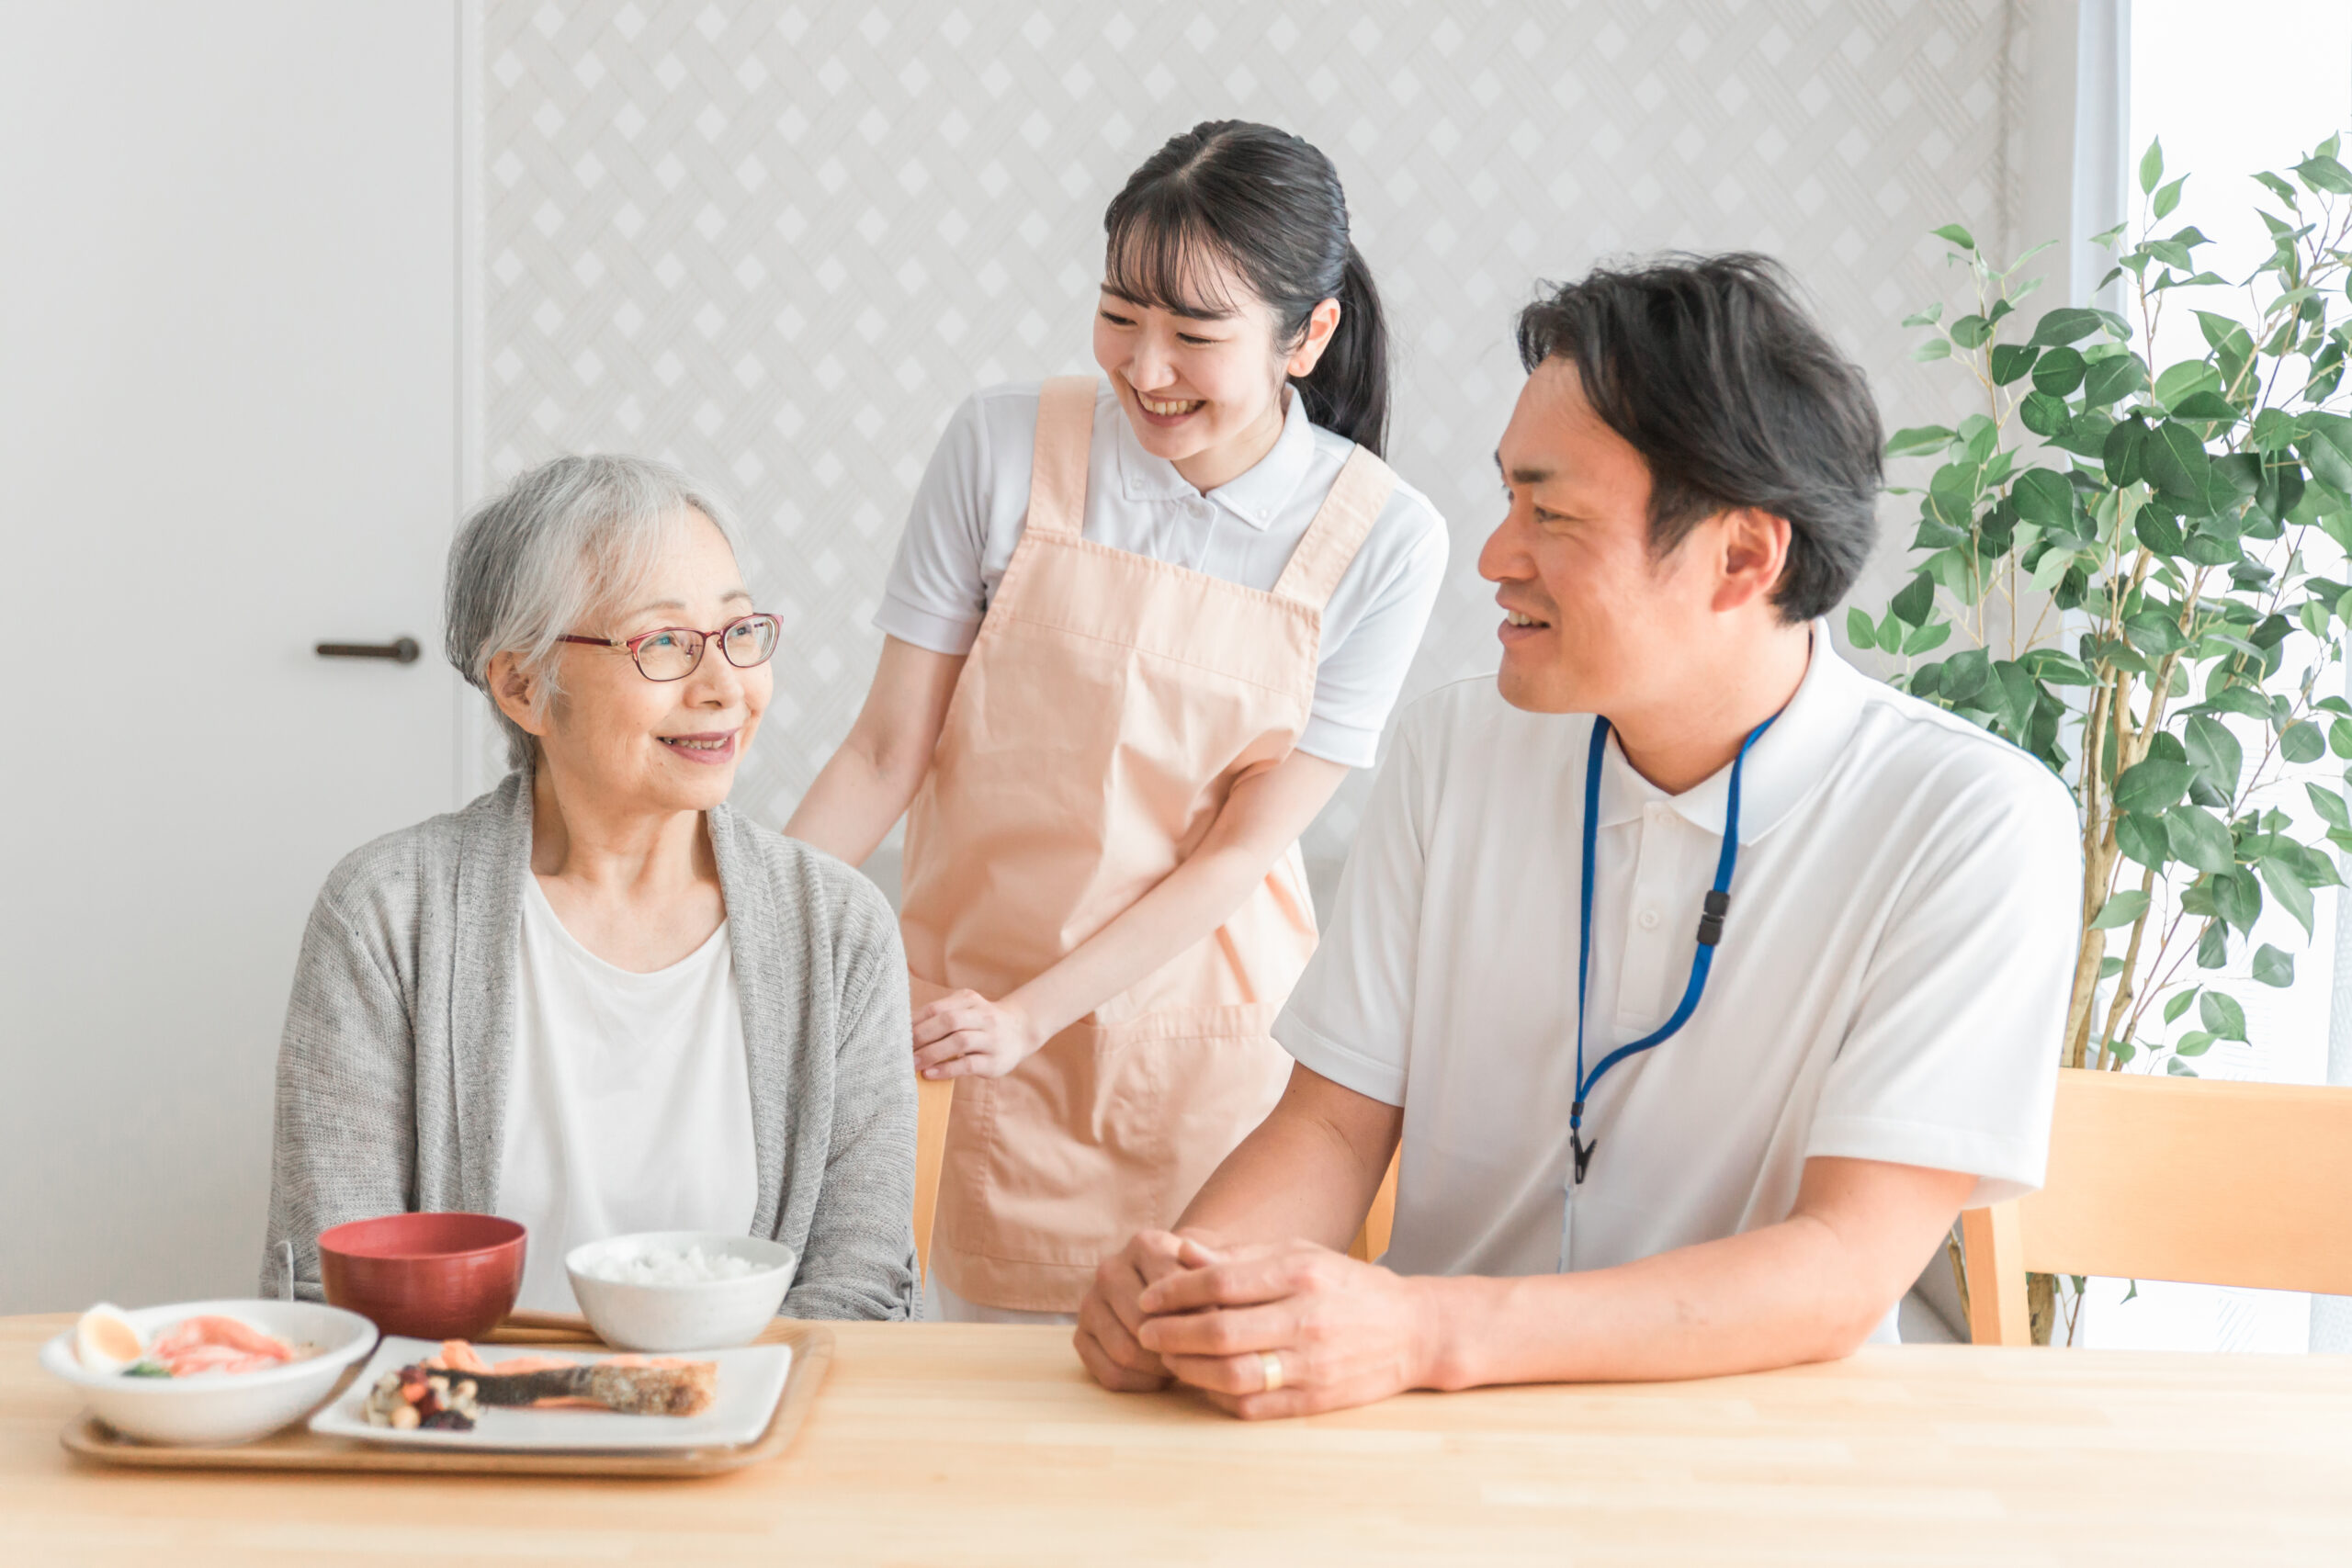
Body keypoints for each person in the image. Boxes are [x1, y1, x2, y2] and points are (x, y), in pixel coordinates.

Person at [1075, 254, 2083, 1414]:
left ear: (1743, 558)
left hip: (1765, 1456)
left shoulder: (1971, 823)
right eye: (1507, 499)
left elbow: (1840, 1266)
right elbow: (1333, 1129)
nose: (1494, 557)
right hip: (1430, 1444)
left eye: (1549, 513)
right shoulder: (1454, 749)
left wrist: (1423, 1332)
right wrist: (1196, 1289)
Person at [785, 121, 1450, 1322]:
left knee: (1186, 1359)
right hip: (968, 1024)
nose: (1145, 369)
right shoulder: (1002, 446)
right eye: (1117, 314)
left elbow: (1240, 852)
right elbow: (884, 752)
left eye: (1195, 334)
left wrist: (1030, 1015)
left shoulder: (1383, 539)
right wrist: (742, 936)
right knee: (976, 1390)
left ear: (1307, 336)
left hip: (1207, 1045)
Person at [262, 455, 917, 1319]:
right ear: (524, 686)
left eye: (738, 630)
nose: (725, 687)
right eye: (665, 642)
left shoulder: (838, 931)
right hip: (466, 1403)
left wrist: (706, 1399)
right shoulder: (387, 915)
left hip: (754, 1401)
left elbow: (859, 1289)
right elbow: (336, 1287)